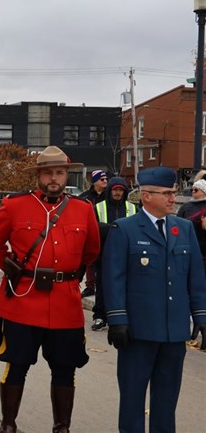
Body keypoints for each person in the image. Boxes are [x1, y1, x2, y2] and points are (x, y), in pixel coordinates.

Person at [0, 146, 100, 433]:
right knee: (17, 364)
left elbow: (91, 251)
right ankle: (8, 424)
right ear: (38, 175)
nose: (54, 178)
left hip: (65, 302)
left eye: (59, 172)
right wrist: (12, 269)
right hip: (24, 299)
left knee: (65, 368)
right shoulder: (15, 205)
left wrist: (65, 273)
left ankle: (62, 427)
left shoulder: (82, 209)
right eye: (48, 172)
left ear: (67, 175)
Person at [102, 167, 206, 433]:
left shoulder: (184, 229)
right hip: (138, 331)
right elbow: (114, 277)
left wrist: (202, 317)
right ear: (146, 196)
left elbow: (195, 278)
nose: (174, 198)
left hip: (173, 332)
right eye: (167, 193)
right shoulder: (124, 229)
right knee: (133, 398)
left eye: (174, 192)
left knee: (166, 399)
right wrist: (117, 319)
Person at [90, 177, 136, 332]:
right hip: (104, 253)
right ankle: (100, 316)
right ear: (109, 191)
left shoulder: (133, 208)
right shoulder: (99, 207)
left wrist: (109, 228)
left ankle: (121, 316)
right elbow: (94, 228)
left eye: (121, 190)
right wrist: (116, 228)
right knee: (102, 285)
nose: (117, 193)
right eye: (115, 190)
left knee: (126, 286)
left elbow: (136, 230)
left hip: (126, 254)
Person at [78, 169, 109, 297]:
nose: (105, 181)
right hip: (90, 233)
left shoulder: (109, 196)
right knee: (90, 261)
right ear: (95, 181)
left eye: (106, 179)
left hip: (107, 233)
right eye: (102, 179)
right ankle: (90, 286)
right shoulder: (85, 198)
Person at [177, 178, 206, 268]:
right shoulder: (186, 206)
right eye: (192, 189)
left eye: (196, 189)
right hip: (189, 244)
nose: (193, 191)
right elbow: (178, 222)